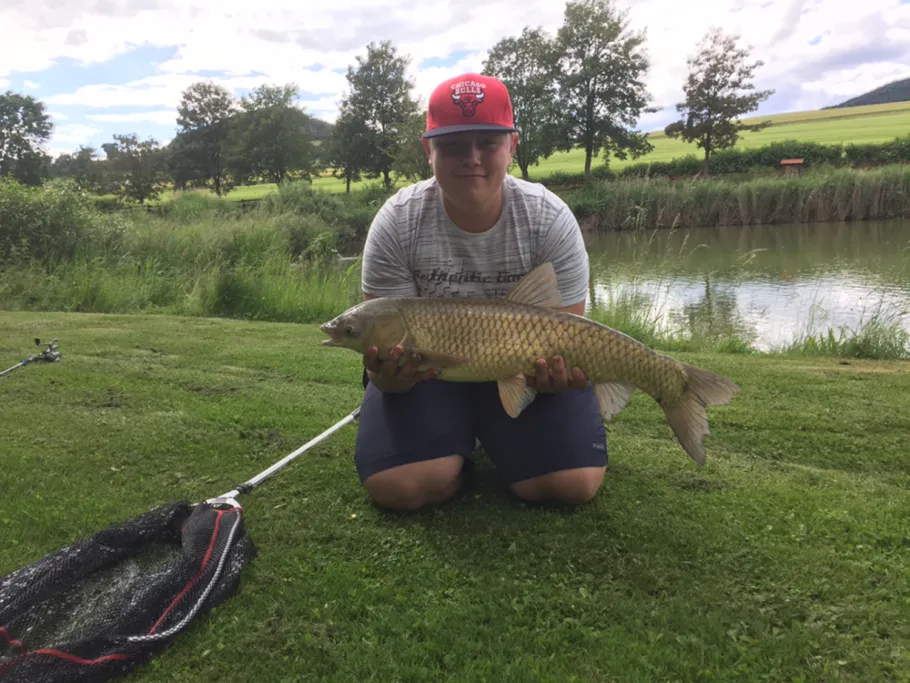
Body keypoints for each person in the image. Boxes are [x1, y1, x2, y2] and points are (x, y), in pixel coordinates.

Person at [353, 72, 608, 511]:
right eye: (452, 144)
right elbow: (382, 362)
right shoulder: (396, 221)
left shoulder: (549, 218)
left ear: (513, 145)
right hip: (427, 377)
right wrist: (386, 378)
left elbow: (569, 329)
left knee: (572, 486)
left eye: (487, 143)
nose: (471, 158)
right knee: (401, 488)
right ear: (428, 150)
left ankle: (483, 436)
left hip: (524, 368)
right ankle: (459, 448)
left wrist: (554, 381)